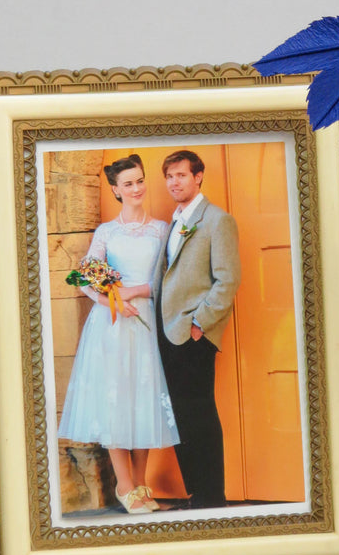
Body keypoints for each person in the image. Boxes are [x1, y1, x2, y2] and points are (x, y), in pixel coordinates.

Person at [58, 153, 179, 514]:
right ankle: (124, 485)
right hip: (112, 326)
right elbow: (86, 279)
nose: (137, 187)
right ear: (116, 189)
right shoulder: (106, 232)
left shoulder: (162, 229)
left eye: (140, 180)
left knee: (143, 400)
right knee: (115, 401)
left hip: (147, 324)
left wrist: (133, 292)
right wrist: (112, 299)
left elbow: (169, 281)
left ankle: (141, 484)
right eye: (128, 183)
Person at [153, 149, 241, 509]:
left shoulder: (217, 220)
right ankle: (196, 495)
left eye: (181, 175)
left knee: (200, 413)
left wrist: (198, 325)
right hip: (166, 332)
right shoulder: (174, 221)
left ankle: (212, 498)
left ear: (198, 176)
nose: (175, 183)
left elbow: (228, 281)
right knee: (178, 415)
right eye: (170, 177)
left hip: (193, 333)